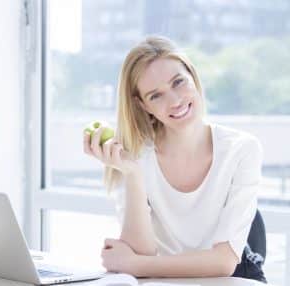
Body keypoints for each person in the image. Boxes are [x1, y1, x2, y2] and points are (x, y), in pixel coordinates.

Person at [83, 36, 266, 282]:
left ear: (192, 75)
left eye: (178, 82)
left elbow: (224, 262)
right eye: (155, 95)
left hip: (234, 277)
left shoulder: (242, 149)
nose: (175, 100)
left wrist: (135, 264)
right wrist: (133, 175)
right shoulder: (132, 155)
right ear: (143, 105)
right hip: (165, 280)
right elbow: (141, 252)